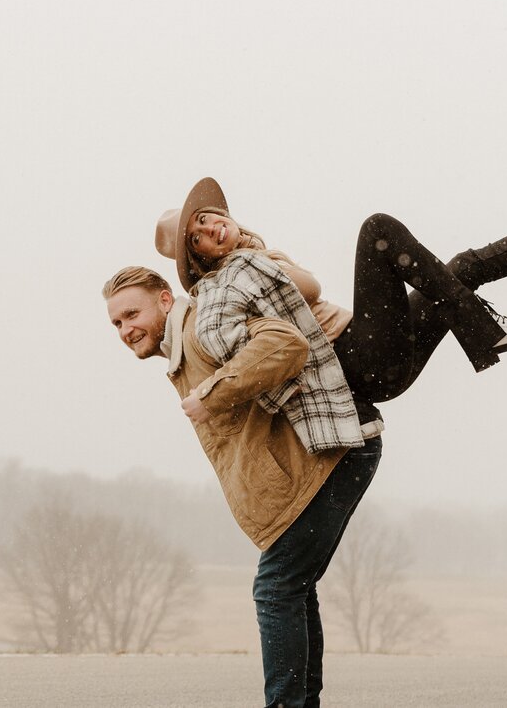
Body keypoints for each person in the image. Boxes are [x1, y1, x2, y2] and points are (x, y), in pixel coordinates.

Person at [155, 136, 507, 419]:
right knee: (377, 230)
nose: (211, 229)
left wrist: (257, 258)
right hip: (355, 362)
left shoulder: (256, 256)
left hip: (375, 358)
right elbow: (303, 297)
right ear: (200, 259)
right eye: (198, 237)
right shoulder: (227, 282)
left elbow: (306, 288)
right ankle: (484, 332)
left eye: (206, 218)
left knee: (464, 268)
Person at [103, 266, 382, 708]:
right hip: (322, 466)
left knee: (276, 588)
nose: (125, 329)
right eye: (116, 323)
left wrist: (212, 394)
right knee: (292, 586)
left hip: (331, 460)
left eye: (131, 314)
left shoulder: (200, 327)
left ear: (164, 300)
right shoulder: (181, 352)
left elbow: (286, 343)